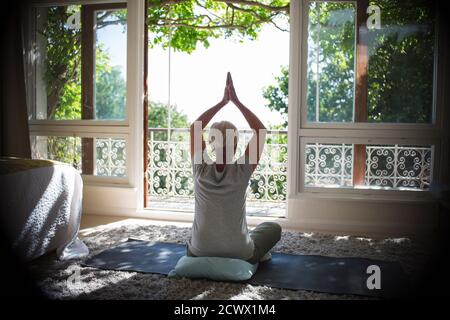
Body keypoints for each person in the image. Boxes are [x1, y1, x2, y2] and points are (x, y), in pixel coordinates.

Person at [187, 72, 282, 264]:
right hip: (240, 253)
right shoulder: (242, 169)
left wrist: (223, 102)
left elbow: (195, 128)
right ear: (237, 144)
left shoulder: (200, 168)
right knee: (272, 228)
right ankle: (255, 252)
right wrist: (236, 102)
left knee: (191, 240)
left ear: (210, 144)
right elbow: (261, 131)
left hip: (199, 251)